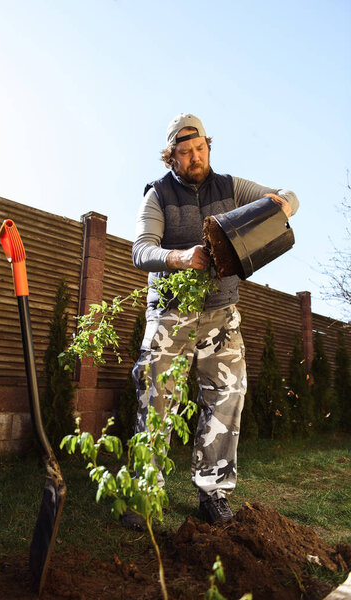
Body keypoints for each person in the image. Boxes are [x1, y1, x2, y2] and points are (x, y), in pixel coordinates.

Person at [127, 113, 299, 528]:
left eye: (200, 148)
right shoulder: (158, 195)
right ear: (171, 158)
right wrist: (180, 257)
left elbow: (287, 196)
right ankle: (146, 491)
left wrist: (283, 203)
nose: (194, 157)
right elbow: (141, 250)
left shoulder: (232, 187)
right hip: (171, 313)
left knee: (226, 398)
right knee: (157, 400)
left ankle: (212, 493)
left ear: (208, 146)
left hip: (221, 313)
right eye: (184, 153)